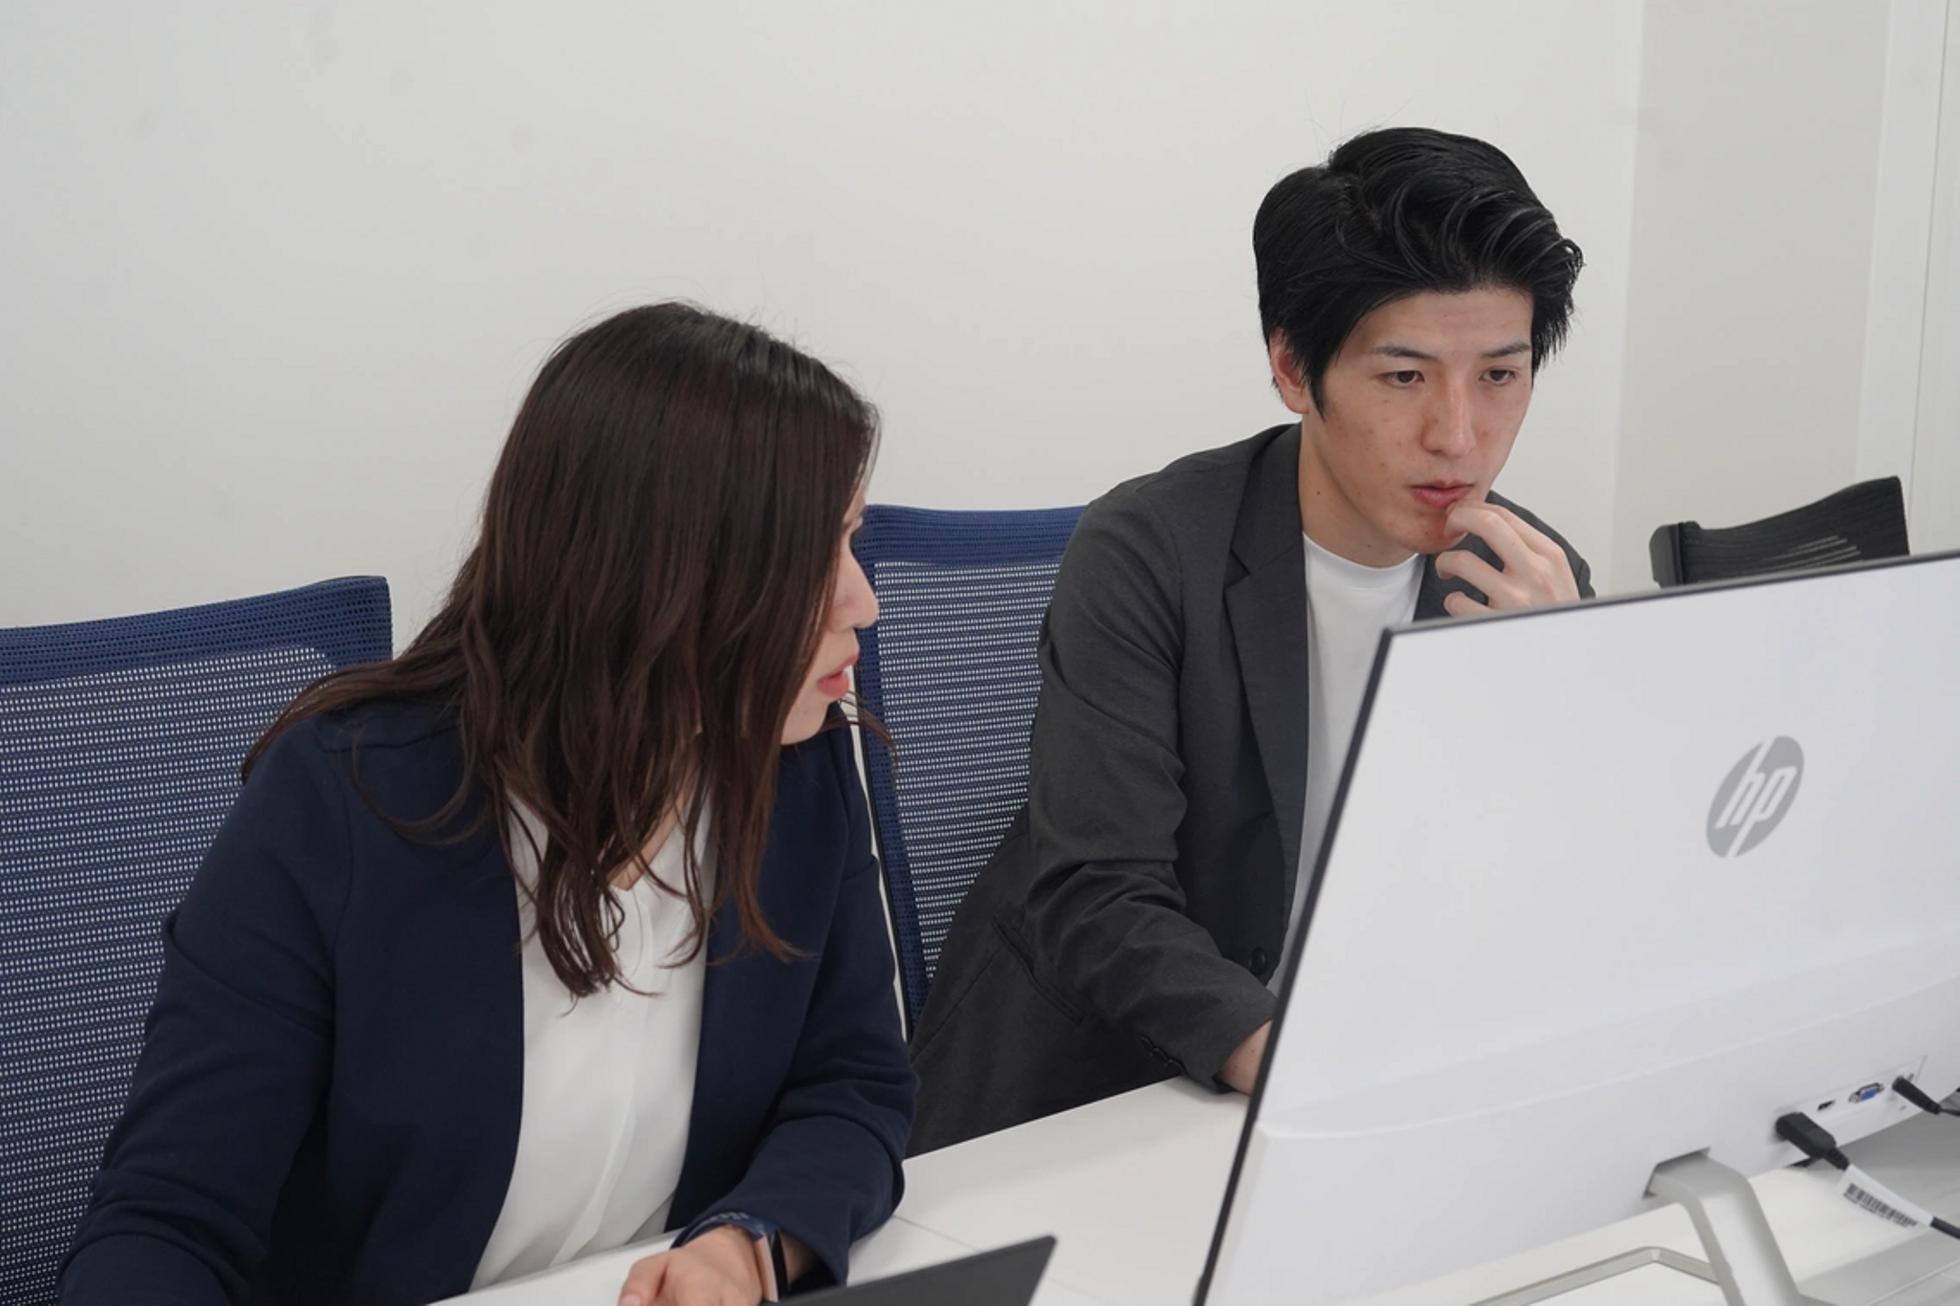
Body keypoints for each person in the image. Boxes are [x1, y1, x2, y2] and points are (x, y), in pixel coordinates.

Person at [60, 303, 914, 1306]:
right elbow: (167, 1221)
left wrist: (745, 1245)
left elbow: (852, 1085)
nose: (863, 600)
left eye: (852, 542)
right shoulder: (343, 801)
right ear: (671, 576)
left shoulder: (800, 766)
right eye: (817, 554)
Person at [909, 127, 1595, 1153]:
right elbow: (1099, 895)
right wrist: (1303, 1069)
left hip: (1384, 1082)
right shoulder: (1150, 550)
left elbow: (1554, 899)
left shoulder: (1527, 578)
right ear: (1291, 367)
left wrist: (1560, 693)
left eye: (1499, 375)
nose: (1457, 435)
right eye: (1405, 378)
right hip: (1111, 1096)